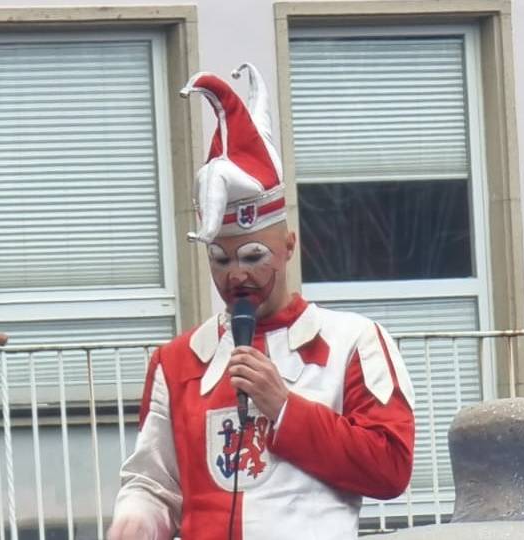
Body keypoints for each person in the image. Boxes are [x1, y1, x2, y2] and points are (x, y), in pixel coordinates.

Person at [109, 63, 415, 540]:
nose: (237, 275)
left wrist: (285, 407)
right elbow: (155, 483)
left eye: (254, 256)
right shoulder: (178, 361)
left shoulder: (354, 341)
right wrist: (135, 519)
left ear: (289, 247)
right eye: (220, 259)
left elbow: (391, 468)